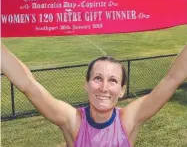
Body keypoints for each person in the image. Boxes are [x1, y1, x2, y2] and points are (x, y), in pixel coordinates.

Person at [1, 43, 187, 147]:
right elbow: (28, 85)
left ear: (122, 90)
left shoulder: (129, 120)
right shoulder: (72, 121)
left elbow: (172, 79)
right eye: (98, 78)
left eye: (113, 80)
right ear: (86, 84)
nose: (104, 87)